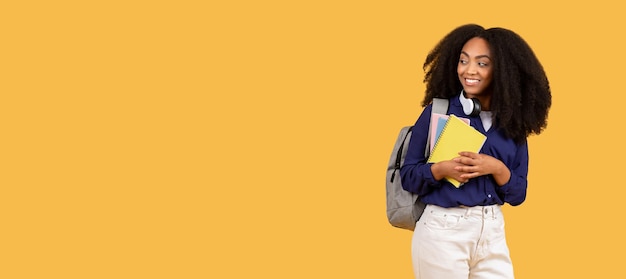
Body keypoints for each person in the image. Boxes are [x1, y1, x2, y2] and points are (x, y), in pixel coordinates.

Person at [399, 24, 551, 279]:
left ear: (503, 72)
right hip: (443, 230)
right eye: (463, 61)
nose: (468, 70)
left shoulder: (513, 123)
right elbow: (408, 176)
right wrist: (441, 169)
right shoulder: (439, 112)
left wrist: (497, 168)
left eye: (482, 63)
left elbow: (518, 194)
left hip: (492, 230)